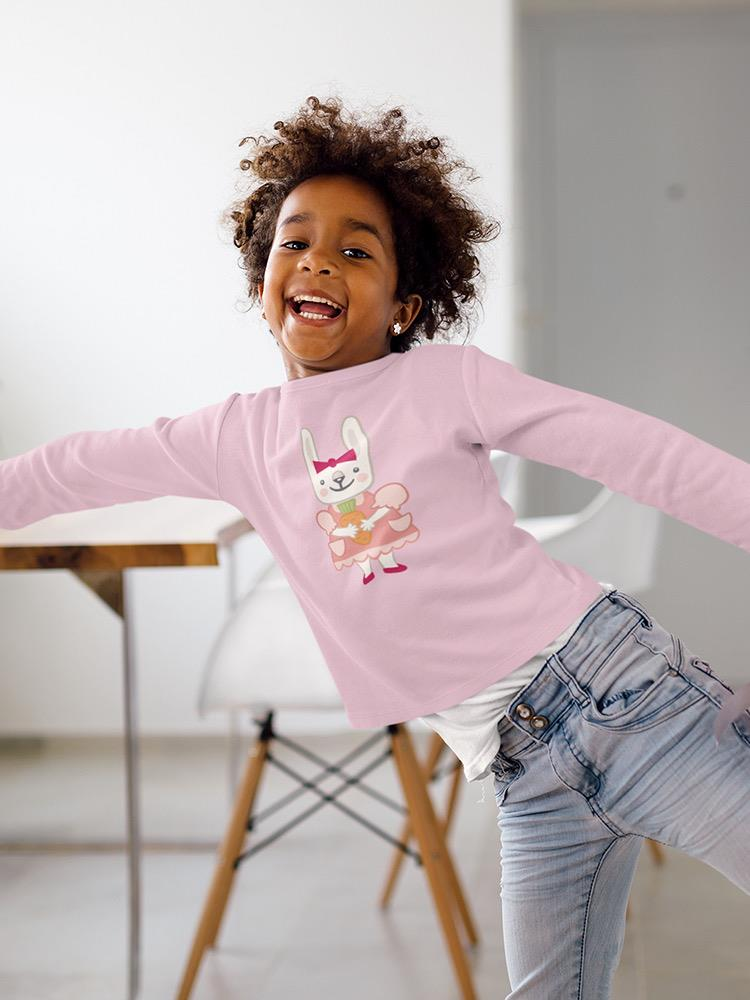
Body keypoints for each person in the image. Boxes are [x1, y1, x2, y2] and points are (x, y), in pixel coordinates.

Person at [2, 93, 749, 998]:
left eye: (357, 250)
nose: (318, 260)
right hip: (520, 777)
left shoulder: (443, 382)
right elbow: (80, 466)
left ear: (406, 304)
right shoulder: (237, 436)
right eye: (295, 241)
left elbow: (638, 452)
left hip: (622, 701)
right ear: (263, 278)